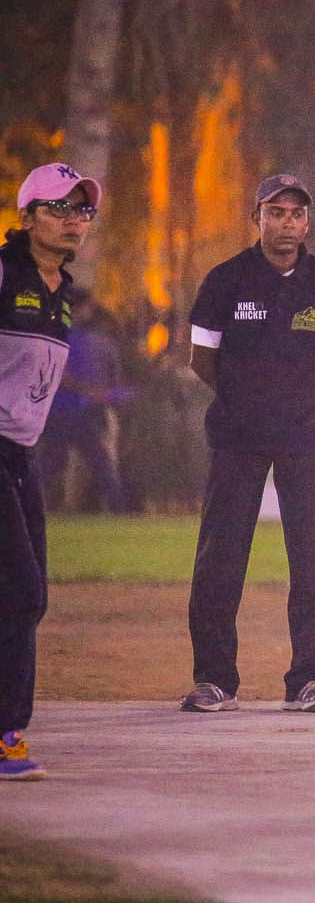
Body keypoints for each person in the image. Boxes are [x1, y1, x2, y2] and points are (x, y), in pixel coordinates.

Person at [180, 174, 315, 713]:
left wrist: (290, 400)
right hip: (237, 435)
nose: (286, 223)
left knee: (310, 555)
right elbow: (202, 359)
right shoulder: (226, 280)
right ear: (256, 218)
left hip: (305, 435)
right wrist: (247, 400)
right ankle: (214, 680)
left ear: (307, 223)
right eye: (275, 212)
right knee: (221, 553)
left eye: (296, 214)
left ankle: (308, 680)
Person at [0, 162, 102, 781]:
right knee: (21, 591)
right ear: (27, 215)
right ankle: (8, 737)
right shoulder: (4, 273)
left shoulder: (62, 292)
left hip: (21, 456)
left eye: (82, 210)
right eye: (58, 208)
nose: (72, 220)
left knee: (29, 595)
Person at [38, 294, 131, 512]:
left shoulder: (67, 335)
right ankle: (118, 507)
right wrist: (89, 390)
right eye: (86, 308)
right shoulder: (68, 337)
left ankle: (21, 501)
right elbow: (61, 373)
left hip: (66, 410)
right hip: (69, 410)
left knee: (55, 462)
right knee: (97, 460)